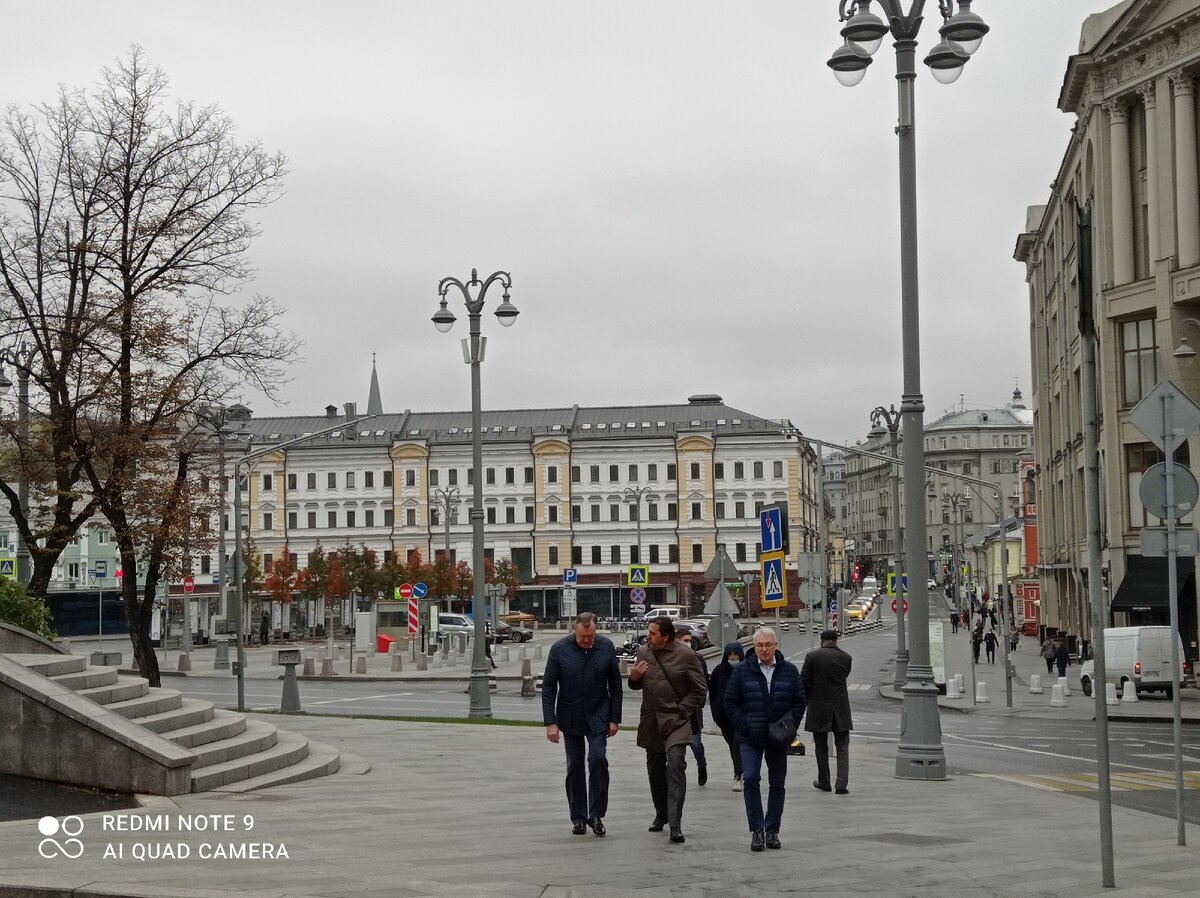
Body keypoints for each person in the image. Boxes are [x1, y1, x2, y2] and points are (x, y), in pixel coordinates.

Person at [724, 627, 806, 852]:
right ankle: (756, 830)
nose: (763, 649)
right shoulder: (742, 670)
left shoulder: (789, 670)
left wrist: (790, 726)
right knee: (750, 778)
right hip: (750, 736)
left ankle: (772, 830)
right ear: (754, 647)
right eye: (759, 645)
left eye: (768, 645)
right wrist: (745, 724)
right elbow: (730, 702)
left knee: (777, 783)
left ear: (775, 646)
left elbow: (800, 701)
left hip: (778, 738)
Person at [541, 612, 622, 837]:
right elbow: (548, 688)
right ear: (574, 630)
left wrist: (614, 718)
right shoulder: (560, 649)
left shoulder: (606, 647)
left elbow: (615, 685)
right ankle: (578, 817)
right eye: (582, 637)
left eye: (590, 636)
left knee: (597, 759)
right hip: (570, 715)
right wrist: (550, 722)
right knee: (575, 766)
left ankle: (596, 815)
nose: (587, 641)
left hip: (598, 714)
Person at [629, 617, 707, 844]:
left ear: (666, 636)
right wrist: (634, 678)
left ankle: (675, 823)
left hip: (677, 721)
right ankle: (661, 813)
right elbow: (636, 683)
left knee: (675, 766)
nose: (648, 636)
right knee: (654, 768)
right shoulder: (644, 652)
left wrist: (682, 710)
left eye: (653, 633)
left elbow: (700, 690)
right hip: (652, 719)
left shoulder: (686, 655)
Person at [802, 629, 853, 798]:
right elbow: (844, 676)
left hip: (818, 706)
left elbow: (804, 681)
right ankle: (841, 784)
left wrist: (809, 698)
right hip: (840, 707)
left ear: (822, 641)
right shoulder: (846, 658)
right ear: (836, 641)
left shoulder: (812, 657)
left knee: (821, 746)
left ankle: (824, 781)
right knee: (843, 746)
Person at [708, 641, 746, 791]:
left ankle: (739, 775)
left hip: (742, 716)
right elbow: (713, 693)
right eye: (730, 654)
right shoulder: (719, 671)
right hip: (724, 717)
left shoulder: (746, 670)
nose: (733, 657)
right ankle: (739, 770)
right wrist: (716, 712)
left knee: (738, 743)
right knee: (732, 745)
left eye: (736, 654)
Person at [676, 629, 709, 786]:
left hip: (693, 709)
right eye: (685, 640)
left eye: (689, 640)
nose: (688, 643)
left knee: (695, 743)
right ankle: (677, 773)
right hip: (675, 710)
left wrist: (698, 703)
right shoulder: (671, 659)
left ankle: (701, 765)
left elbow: (704, 684)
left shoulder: (698, 658)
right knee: (676, 747)